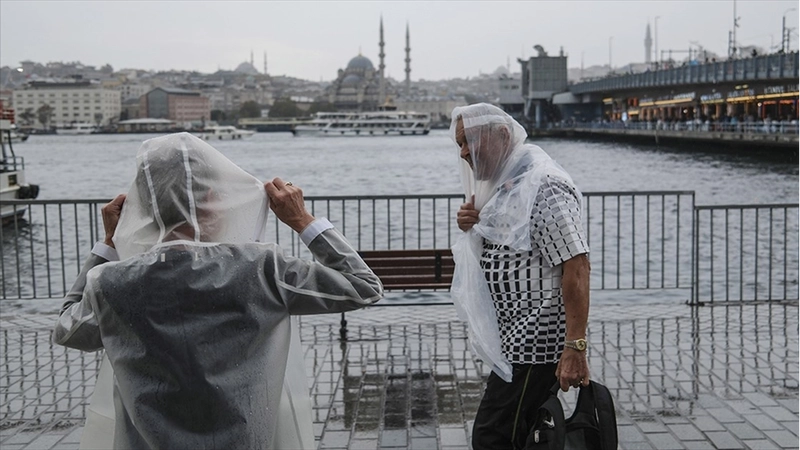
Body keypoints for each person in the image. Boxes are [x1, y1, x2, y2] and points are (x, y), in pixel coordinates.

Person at [53, 132, 383, 449]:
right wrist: (302, 220)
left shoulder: (112, 283)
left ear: (142, 208)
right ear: (213, 198)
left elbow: (68, 331)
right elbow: (362, 286)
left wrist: (107, 245)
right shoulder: (261, 268)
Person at [449, 104, 590, 450]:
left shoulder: (545, 186)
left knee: (492, 437)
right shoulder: (509, 184)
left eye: (469, 141)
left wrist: (575, 347)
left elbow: (577, 265)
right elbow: (512, 241)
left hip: (535, 346)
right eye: (459, 144)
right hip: (515, 342)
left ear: (502, 135)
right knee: (521, 435)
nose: (464, 152)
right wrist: (472, 221)